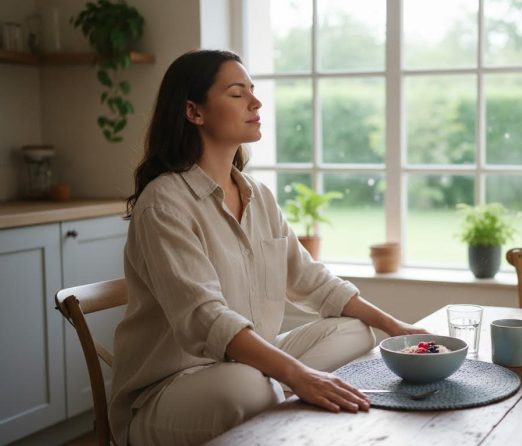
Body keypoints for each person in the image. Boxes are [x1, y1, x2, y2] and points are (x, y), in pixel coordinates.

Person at [109, 49, 426, 446]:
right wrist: (297, 374)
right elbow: (206, 317)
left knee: (356, 332)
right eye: (237, 93)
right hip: (173, 387)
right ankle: (286, 404)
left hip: (248, 365)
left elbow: (312, 281)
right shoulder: (164, 203)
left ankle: (281, 407)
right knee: (250, 387)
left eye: (253, 91)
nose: (255, 102)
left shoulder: (257, 195)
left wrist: (394, 326)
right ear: (194, 111)